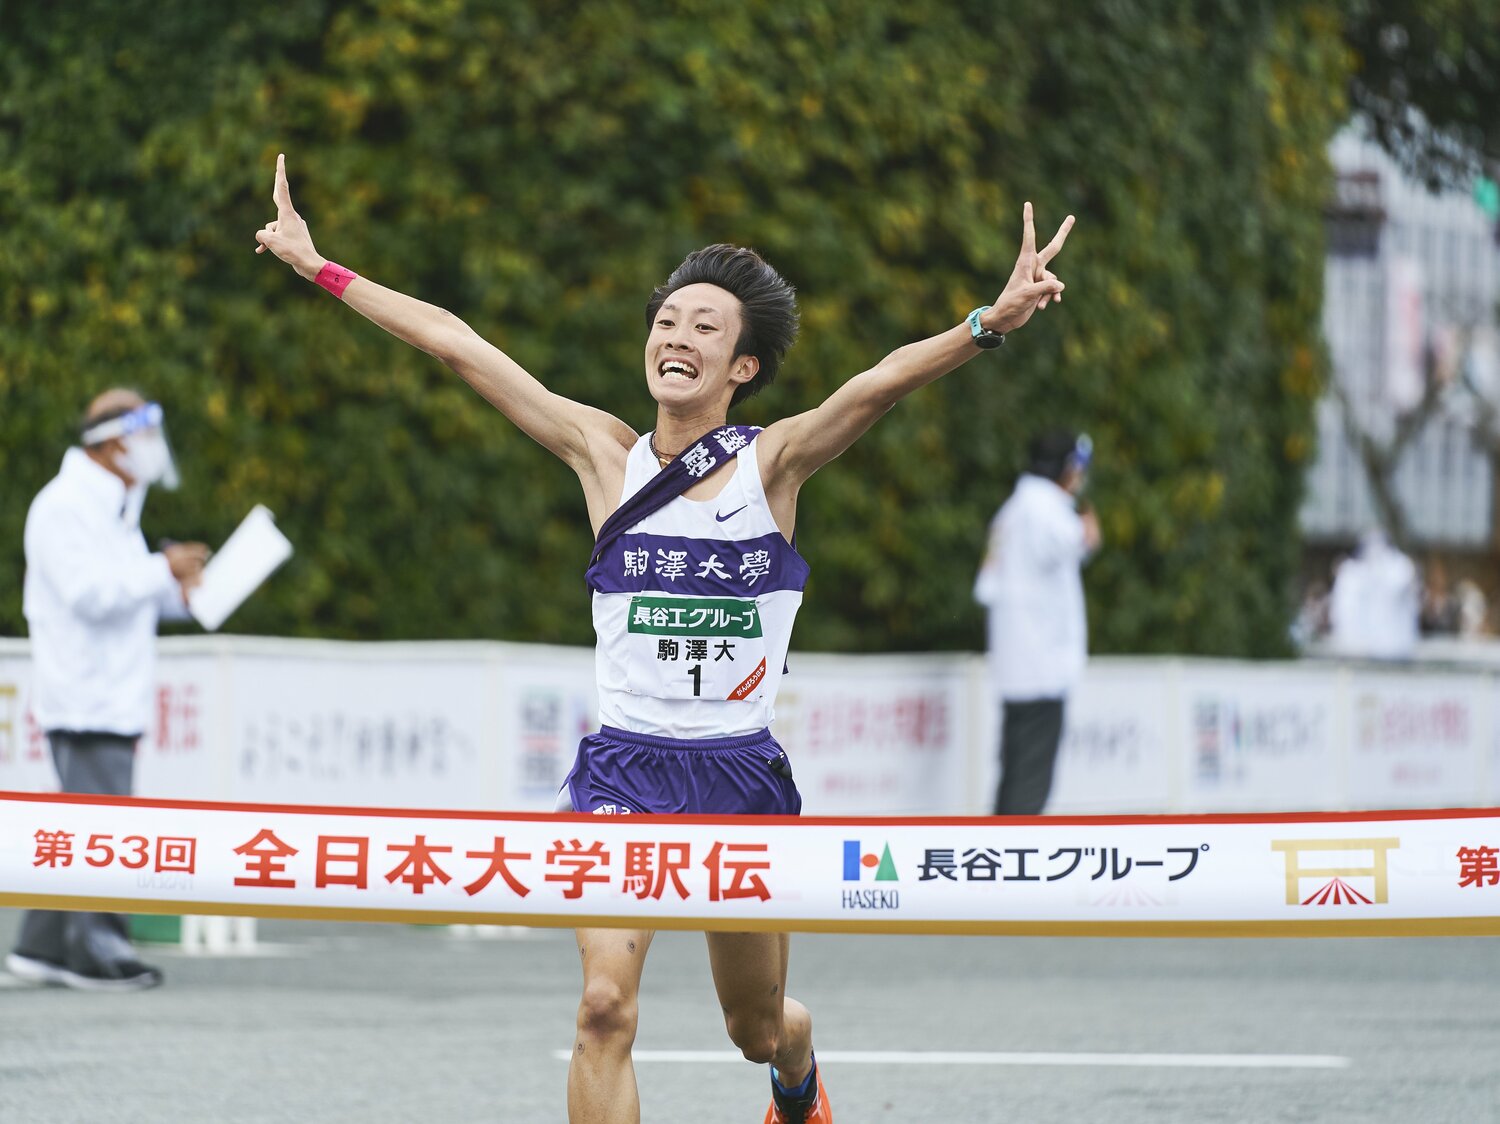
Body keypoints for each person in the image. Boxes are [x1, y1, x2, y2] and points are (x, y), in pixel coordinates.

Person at [254, 153, 1072, 1124]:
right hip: (623, 775)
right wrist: (318, 266)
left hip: (738, 775)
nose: (674, 336)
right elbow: (457, 345)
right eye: (666, 320)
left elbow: (876, 386)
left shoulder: (774, 465)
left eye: (703, 327)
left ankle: (797, 1070)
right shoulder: (602, 452)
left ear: (744, 366)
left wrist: (986, 325)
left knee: (757, 1028)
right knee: (603, 1006)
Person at [6, 389, 209, 991]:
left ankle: (40, 948)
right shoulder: (64, 506)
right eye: (145, 436)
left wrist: (185, 589)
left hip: (110, 691)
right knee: (100, 828)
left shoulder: (114, 504)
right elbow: (89, 593)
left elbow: (127, 593)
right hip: (85, 694)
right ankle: (97, 950)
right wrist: (161, 571)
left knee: (81, 821)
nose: (153, 449)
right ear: (116, 442)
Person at [973, 430, 1100, 816]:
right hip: (1042, 666)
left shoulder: (1011, 510)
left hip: (1017, 665)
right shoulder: (1044, 507)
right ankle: (1010, 869)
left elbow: (985, 587)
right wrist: (1088, 529)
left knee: (1016, 774)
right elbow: (1079, 539)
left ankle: (998, 860)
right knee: (1029, 787)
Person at [1329, 528, 1419, 660]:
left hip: (1393, 638)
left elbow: (1399, 587)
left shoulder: (1398, 564)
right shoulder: (1356, 570)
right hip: (1371, 635)